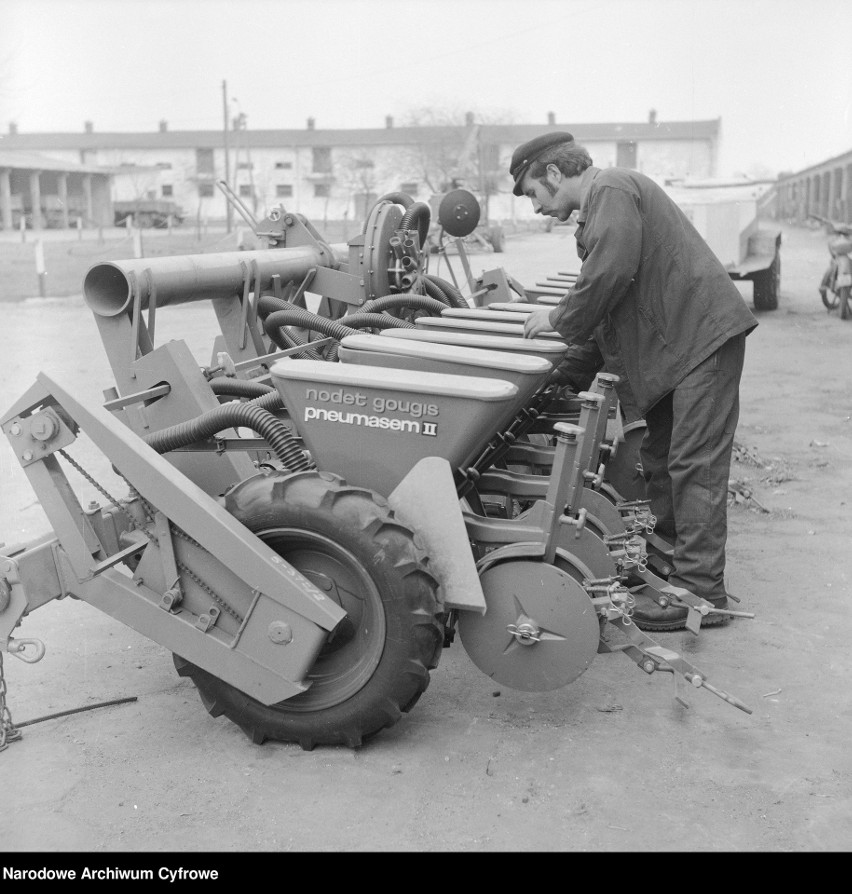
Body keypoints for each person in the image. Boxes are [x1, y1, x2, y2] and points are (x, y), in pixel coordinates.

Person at [512, 132, 758, 631]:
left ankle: (699, 594)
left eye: (535, 194)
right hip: (680, 347)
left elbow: (606, 278)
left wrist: (557, 317)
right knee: (661, 459)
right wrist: (555, 382)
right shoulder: (604, 209)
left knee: (694, 464)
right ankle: (668, 566)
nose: (537, 208)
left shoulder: (614, 190)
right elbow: (606, 314)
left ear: (554, 174)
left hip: (700, 339)